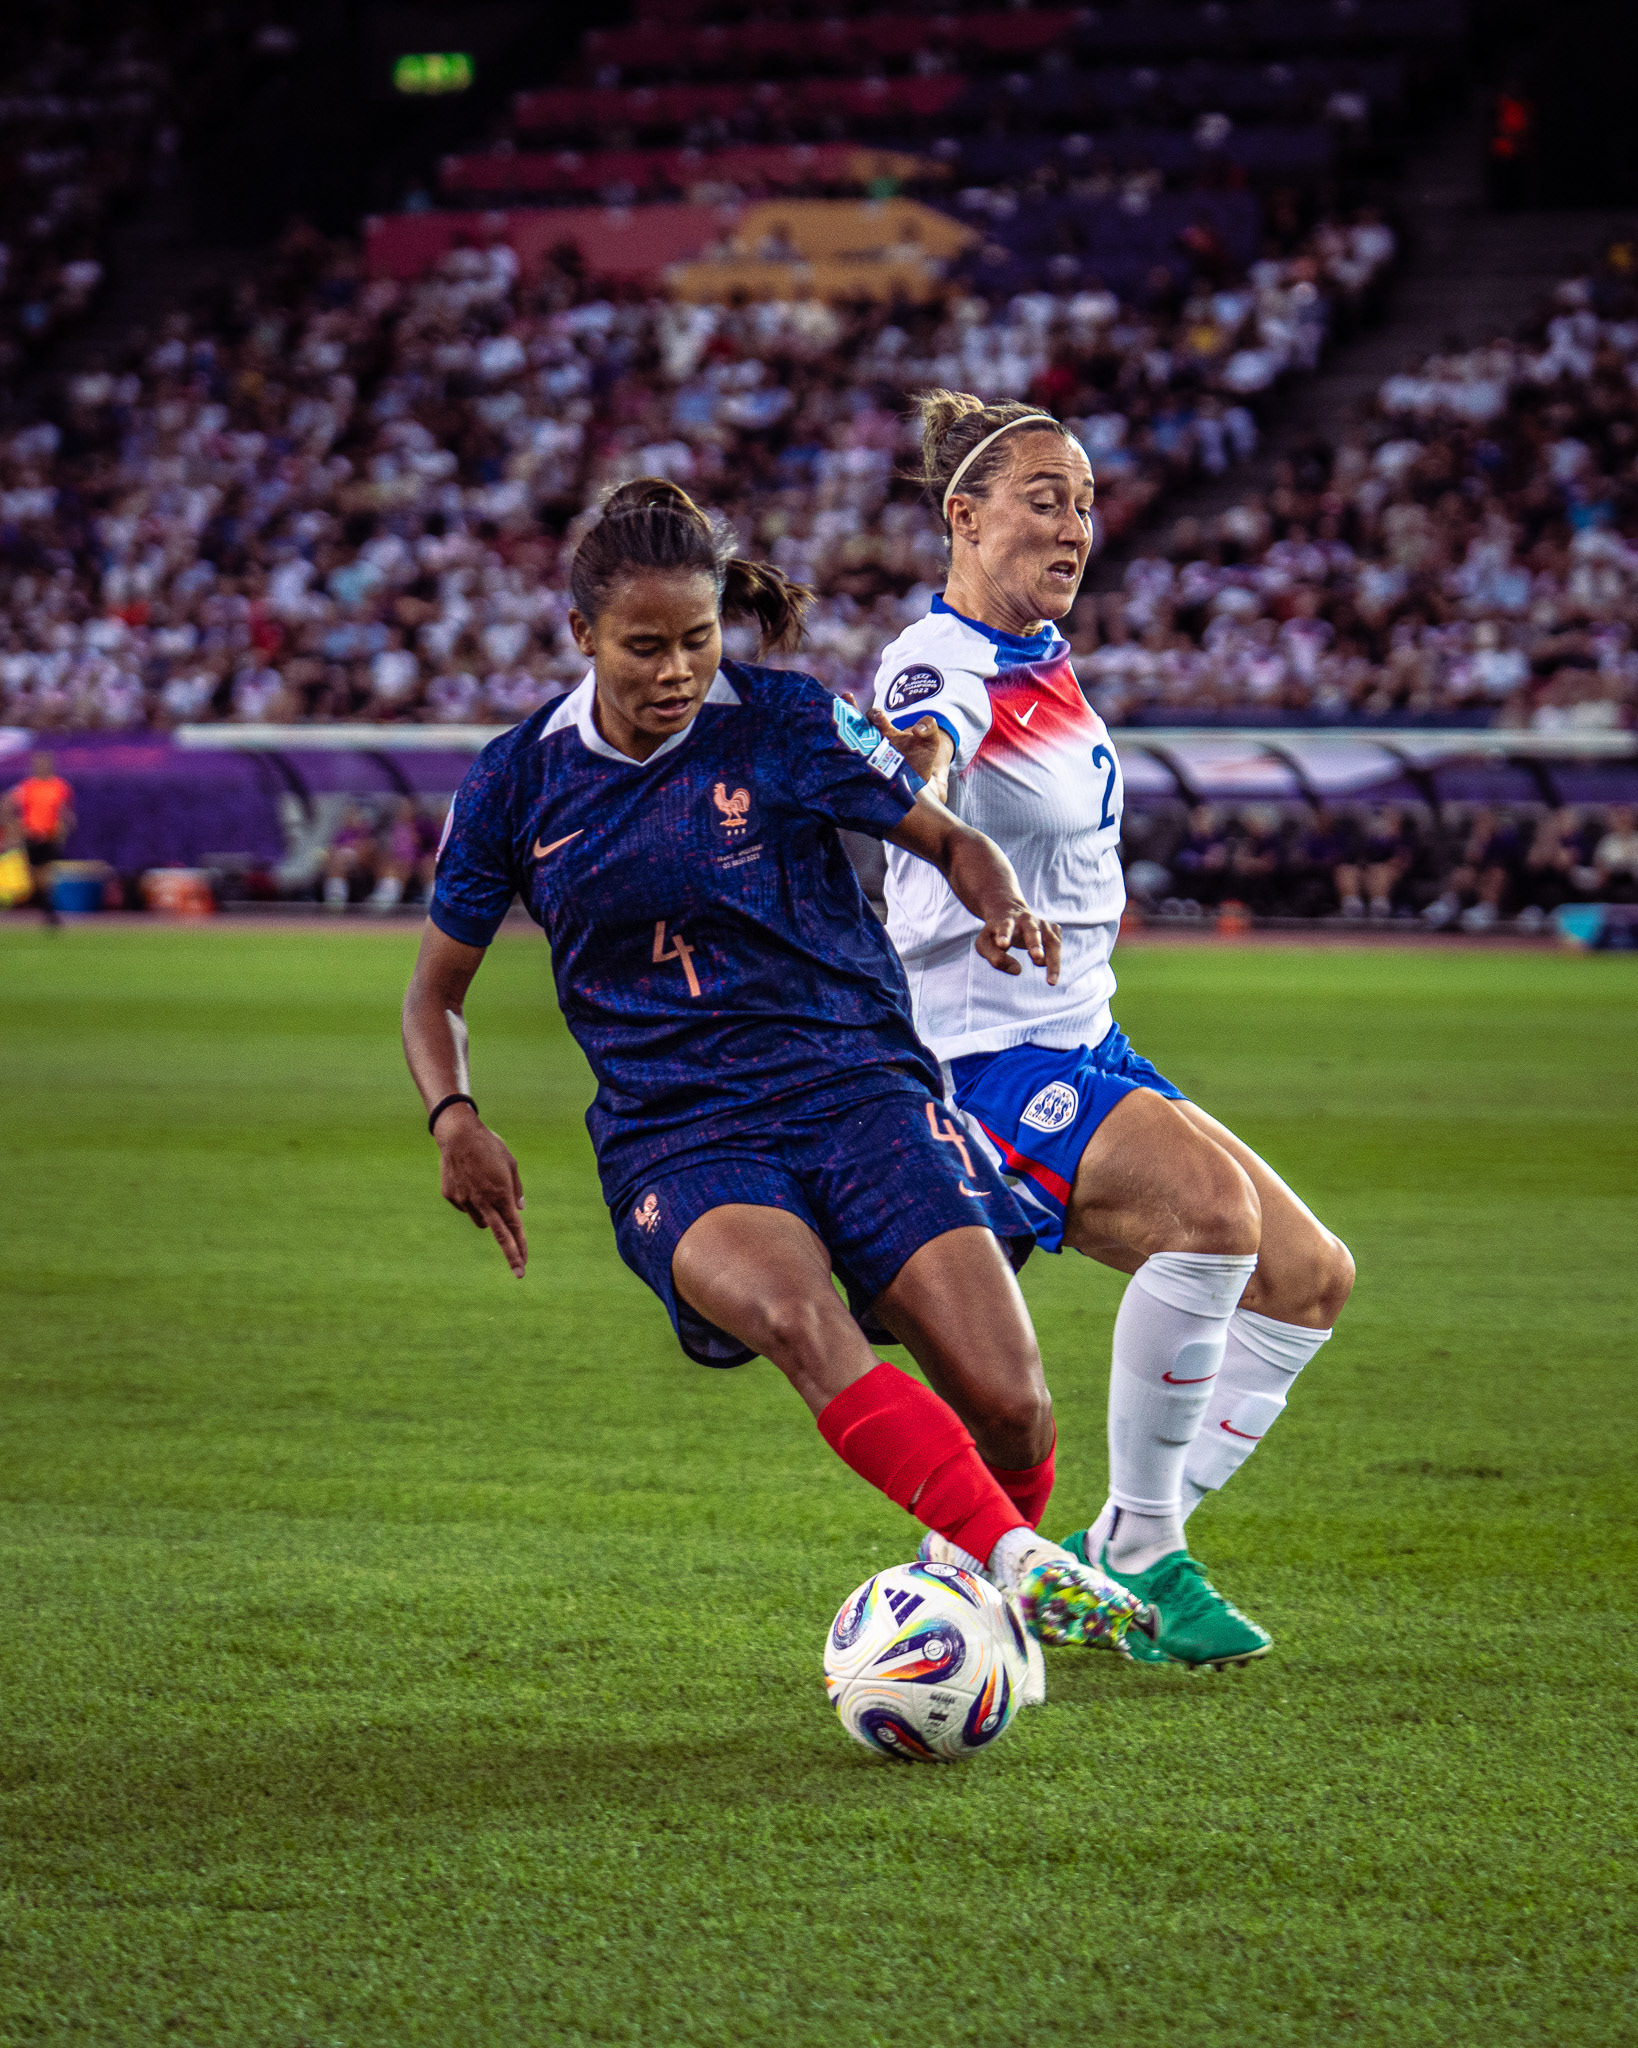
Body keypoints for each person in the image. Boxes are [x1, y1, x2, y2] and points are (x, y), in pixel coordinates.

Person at [401, 479, 1157, 1662]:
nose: (676, 670)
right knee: (797, 1317)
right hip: (678, 1129)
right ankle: (1017, 1563)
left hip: (855, 1086)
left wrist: (998, 895)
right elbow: (433, 993)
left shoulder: (789, 721)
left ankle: (974, 1580)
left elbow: (949, 836)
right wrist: (455, 1115)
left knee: (1012, 1404)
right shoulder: (515, 781)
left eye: (697, 639)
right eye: (643, 646)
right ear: (581, 634)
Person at [861, 394, 1355, 1670]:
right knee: (1211, 1216)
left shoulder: (1040, 654)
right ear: (964, 518)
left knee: (1310, 1277)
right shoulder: (942, 658)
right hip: (982, 1057)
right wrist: (921, 787)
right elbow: (919, 751)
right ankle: (1140, 1547)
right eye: (1044, 499)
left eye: (1084, 502)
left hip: (1084, 1037)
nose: (1074, 525)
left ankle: (1121, 1540)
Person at [2, 751, 74, 928]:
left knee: (46, 874)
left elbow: (63, 811)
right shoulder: (27, 787)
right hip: (32, 835)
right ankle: (46, 908)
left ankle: (49, 911)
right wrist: (15, 827)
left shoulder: (59, 786)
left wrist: (64, 828)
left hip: (49, 836)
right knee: (34, 875)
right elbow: (6, 804)